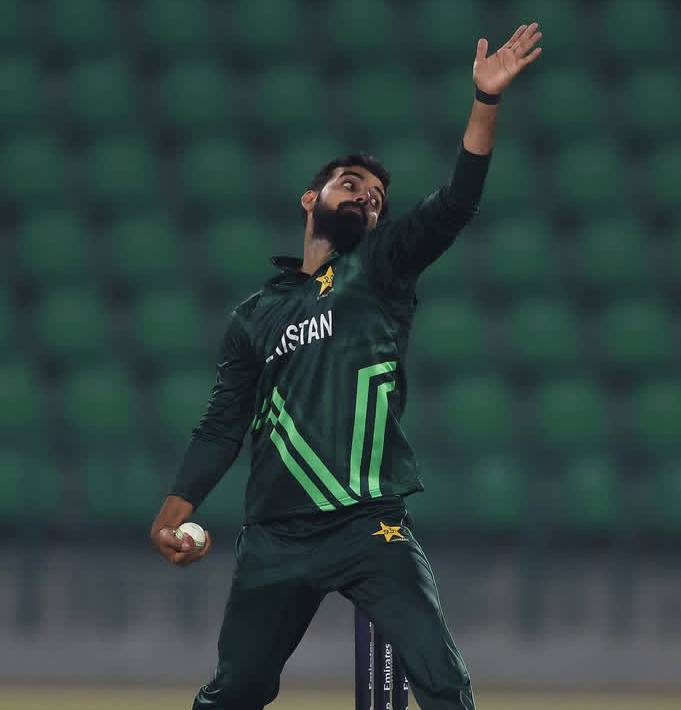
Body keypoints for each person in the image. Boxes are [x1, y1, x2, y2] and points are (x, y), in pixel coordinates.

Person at [151, 23, 542, 710]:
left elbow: (456, 205)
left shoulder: (380, 267)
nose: (366, 198)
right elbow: (221, 426)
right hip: (274, 535)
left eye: (376, 198)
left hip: (371, 526)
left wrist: (486, 101)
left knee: (446, 688)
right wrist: (172, 514)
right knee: (234, 692)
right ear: (311, 200)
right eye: (351, 185)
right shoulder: (255, 315)